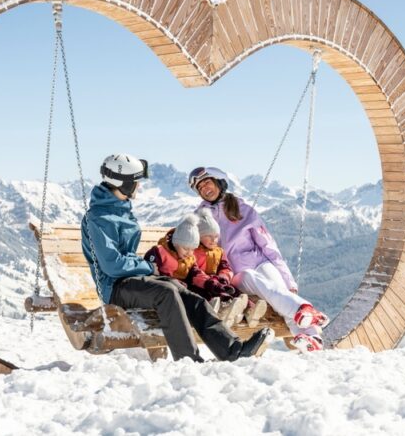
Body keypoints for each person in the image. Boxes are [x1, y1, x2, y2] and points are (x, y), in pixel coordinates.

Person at [81, 154, 274, 362]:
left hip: (132, 281)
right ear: (124, 183)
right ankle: (188, 359)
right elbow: (112, 265)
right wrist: (148, 266)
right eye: (136, 181)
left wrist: (146, 268)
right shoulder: (98, 218)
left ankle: (232, 349)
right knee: (166, 292)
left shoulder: (120, 209)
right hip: (114, 288)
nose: (139, 187)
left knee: (182, 290)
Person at [188, 166, 329, 353]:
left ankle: (312, 338)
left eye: (207, 182)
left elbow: (268, 246)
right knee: (249, 277)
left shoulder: (243, 210)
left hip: (261, 263)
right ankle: (303, 310)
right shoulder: (200, 217)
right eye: (200, 187)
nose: (204, 188)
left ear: (219, 182)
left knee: (280, 289)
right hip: (235, 275)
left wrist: (288, 279)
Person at [194, 208, 268, 327]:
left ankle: (249, 309)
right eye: (209, 236)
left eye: (216, 236)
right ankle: (224, 311)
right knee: (211, 293)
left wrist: (224, 276)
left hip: (217, 281)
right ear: (199, 236)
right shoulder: (194, 251)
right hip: (203, 284)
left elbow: (225, 266)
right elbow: (193, 271)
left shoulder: (218, 251)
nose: (214, 240)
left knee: (233, 290)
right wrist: (209, 280)